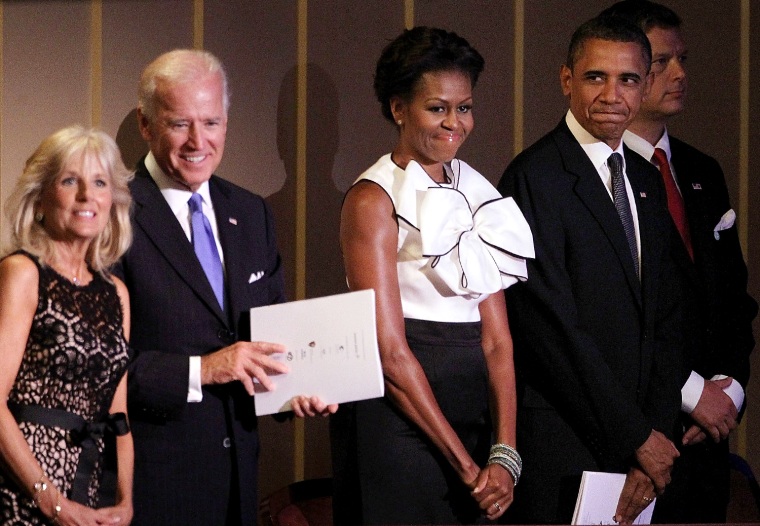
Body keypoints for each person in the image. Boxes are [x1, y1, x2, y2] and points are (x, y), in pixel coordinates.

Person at [114, 49, 335, 526]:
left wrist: (295, 388)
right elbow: (101, 370)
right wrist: (204, 370)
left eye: (211, 122)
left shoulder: (252, 213)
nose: (199, 141)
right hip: (152, 488)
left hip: (238, 483)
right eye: (180, 124)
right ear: (146, 124)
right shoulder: (112, 218)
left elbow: (272, 340)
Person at [331, 27, 534, 525]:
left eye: (464, 108)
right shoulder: (372, 198)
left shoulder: (476, 188)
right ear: (398, 108)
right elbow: (390, 352)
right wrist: (468, 470)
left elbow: (498, 341)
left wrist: (504, 454)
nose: (454, 124)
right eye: (437, 108)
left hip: (475, 414)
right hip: (401, 418)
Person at [498, 15, 684, 524]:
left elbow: (667, 321)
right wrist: (637, 436)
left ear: (645, 85)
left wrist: (655, 438)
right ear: (566, 80)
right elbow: (552, 330)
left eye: (627, 79)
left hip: (643, 454)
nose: (611, 94)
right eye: (594, 76)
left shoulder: (645, 179)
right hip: (565, 443)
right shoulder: (533, 177)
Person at [599, 2, 759, 522]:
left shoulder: (702, 170)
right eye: (662, 62)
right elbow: (603, 322)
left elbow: (734, 298)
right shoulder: (597, 176)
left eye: (681, 59)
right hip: (632, 438)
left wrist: (729, 389)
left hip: (707, 440)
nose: (680, 74)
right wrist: (691, 394)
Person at [0, 125, 134, 525]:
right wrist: (50, 500)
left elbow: (119, 416)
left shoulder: (117, 294)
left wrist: (126, 502)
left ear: (113, 200)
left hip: (90, 494)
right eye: (70, 180)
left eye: (99, 182)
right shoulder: (23, 273)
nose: (86, 196)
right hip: (20, 495)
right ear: (40, 197)